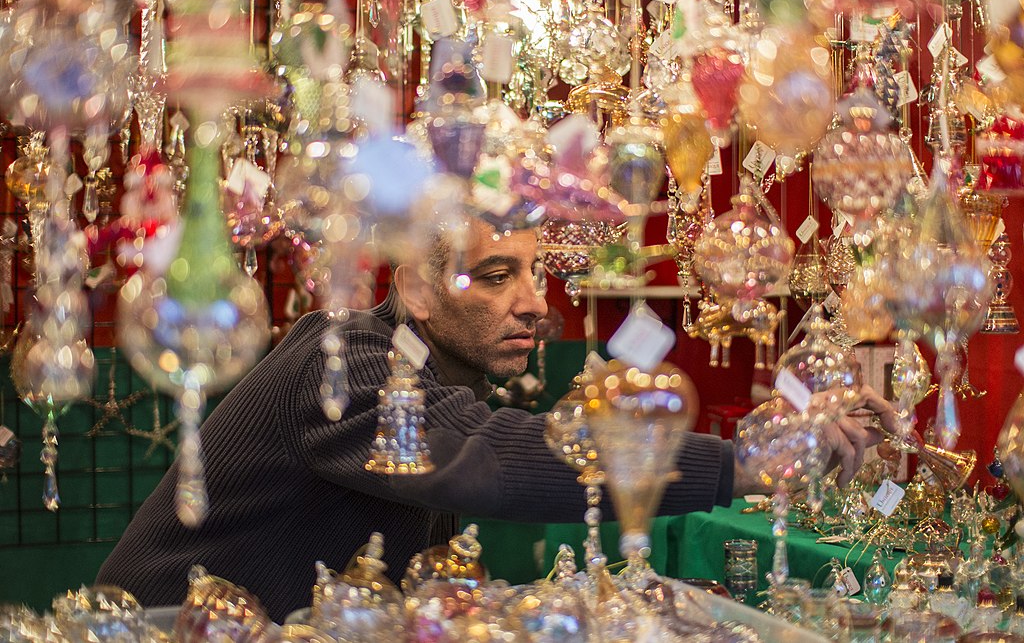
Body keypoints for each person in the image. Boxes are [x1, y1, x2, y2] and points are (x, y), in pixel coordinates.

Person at [96, 217, 898, 621]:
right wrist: (748, 460)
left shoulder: (427, 377)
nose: (532, 302)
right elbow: (491, 457)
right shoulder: (341, 362)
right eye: (496, 275)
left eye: (535, 274)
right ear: (415, 288)